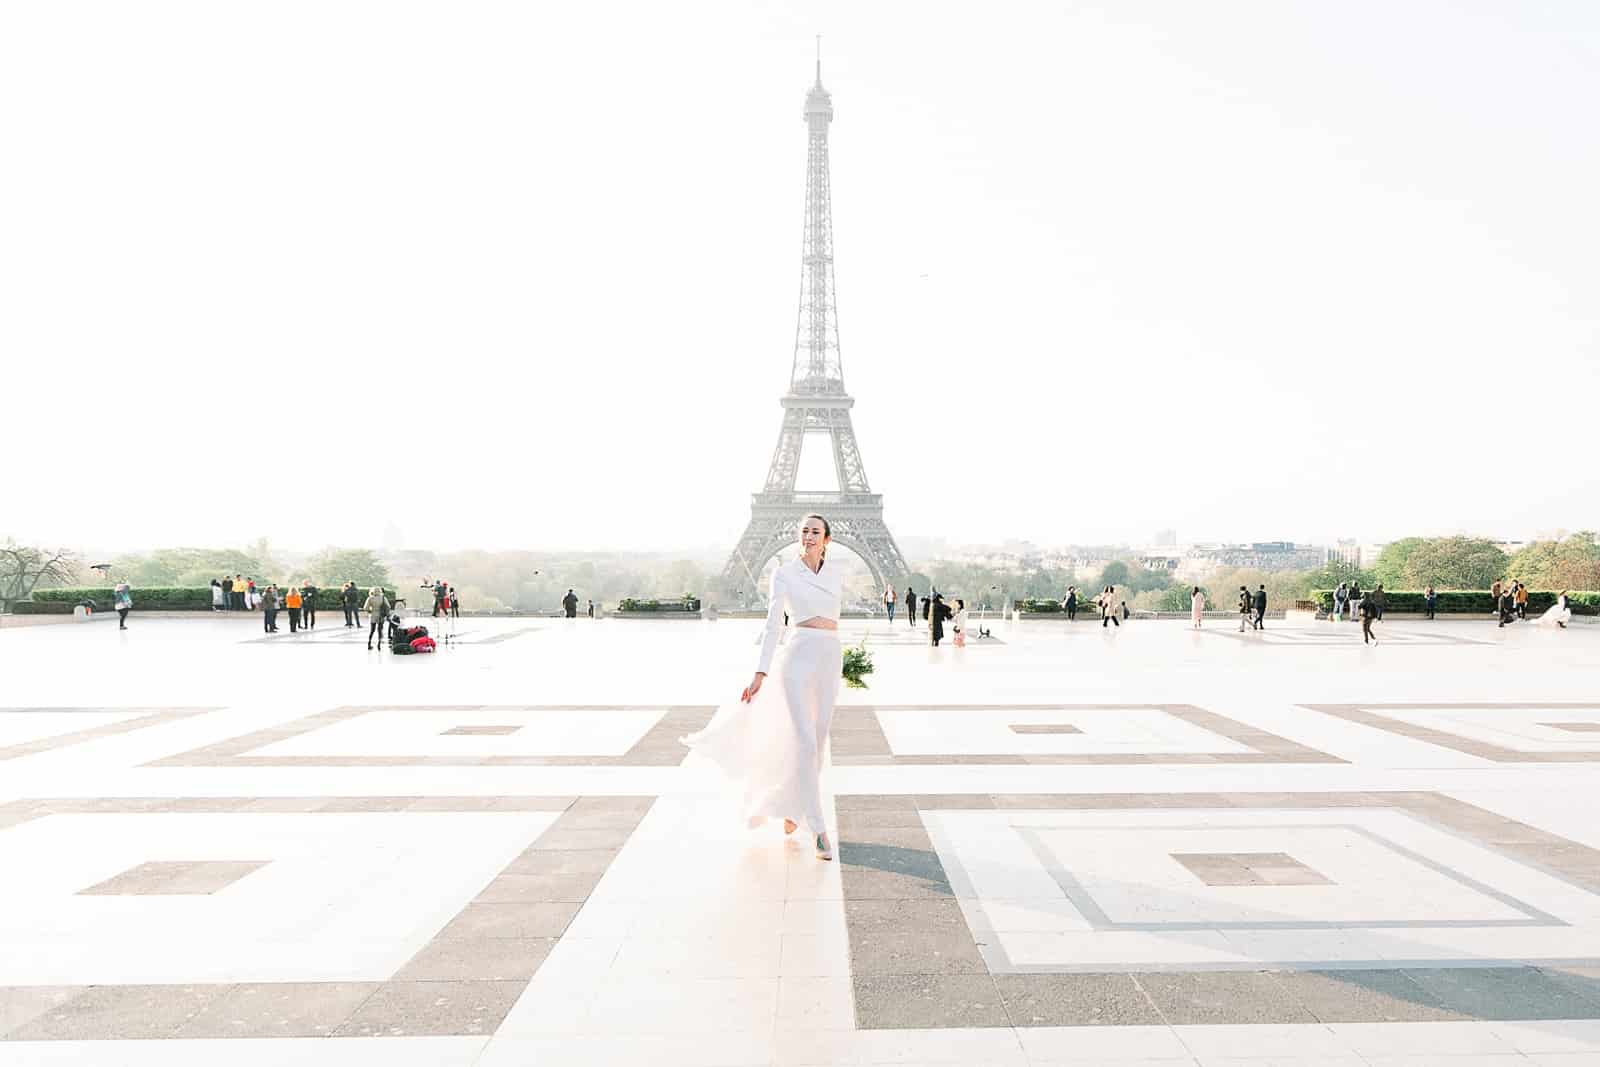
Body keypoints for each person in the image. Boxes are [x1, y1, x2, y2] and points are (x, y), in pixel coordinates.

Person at [685, 514, 842, 862]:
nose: (809, 536)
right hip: (799, 654)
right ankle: (818, 827)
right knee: (804, 741)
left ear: (827, 539)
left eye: (816, 531)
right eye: (804, 531)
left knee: (818, 741)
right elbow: (774, 625)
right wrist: (760, 672)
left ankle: (793, 804)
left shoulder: (835, 573)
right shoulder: (784, 574)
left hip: (830, 655)